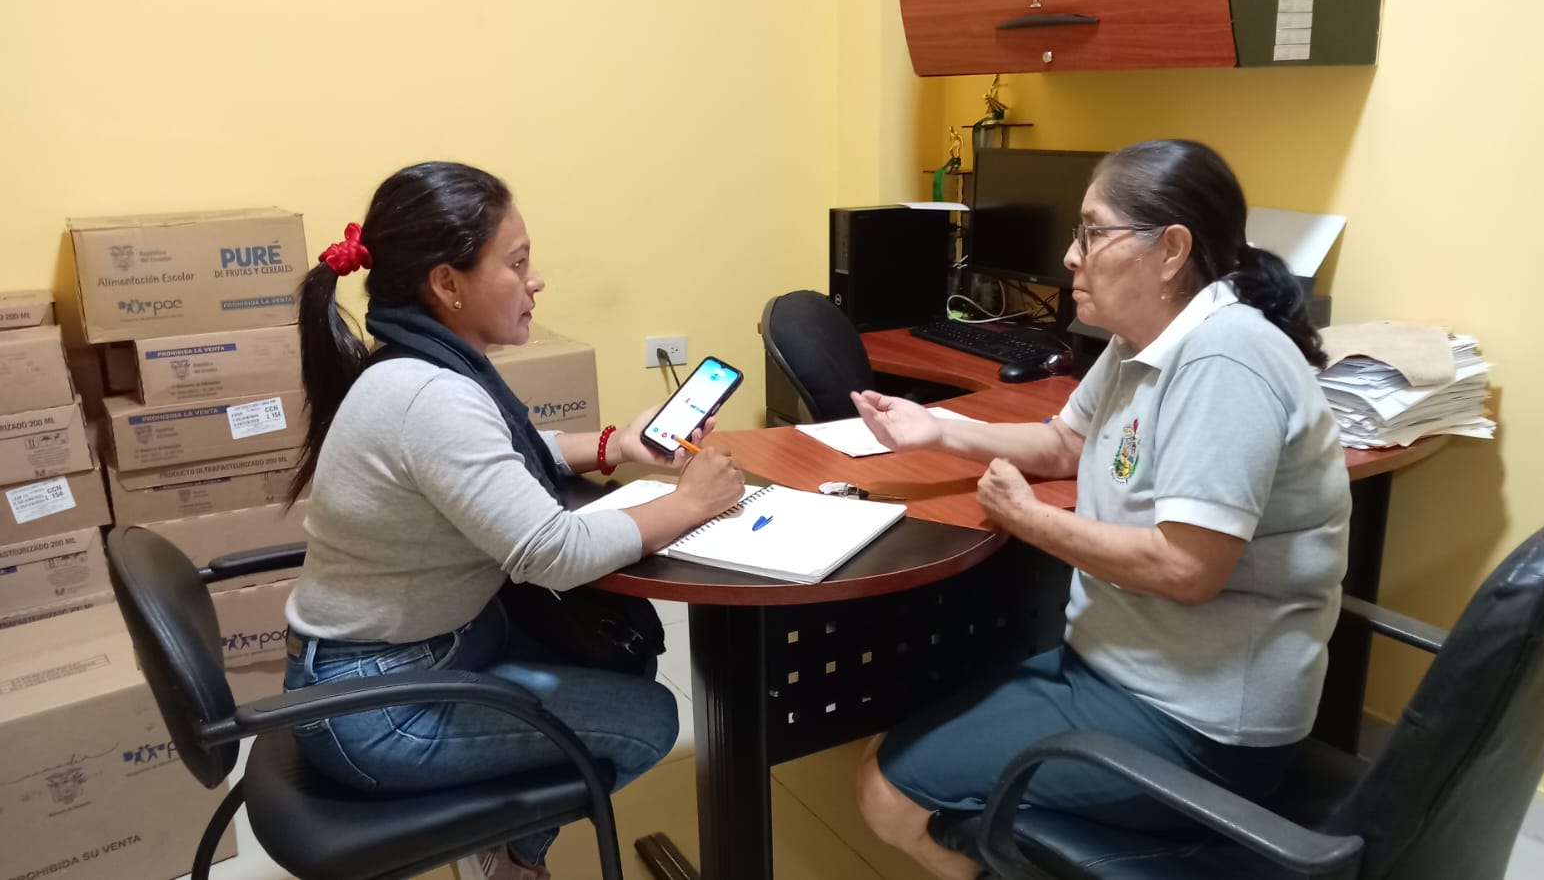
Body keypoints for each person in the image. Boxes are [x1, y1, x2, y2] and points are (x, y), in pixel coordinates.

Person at [851, 139, 1352, 880]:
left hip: (1199, 724)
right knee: (890, 753)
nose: (1070, 255)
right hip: (1123, 670)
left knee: (887, 792)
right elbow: (1065, 441)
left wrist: (1028, 519)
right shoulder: (1141, 341)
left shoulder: (1224, 360)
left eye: (1091, 232)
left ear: (1170, 250)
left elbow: (1187, 567)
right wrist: (940, 429)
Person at [281, 162, 747, 880]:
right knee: (650, 719)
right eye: (518, 262)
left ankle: (502, 839)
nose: (536, 281)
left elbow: (498, 457)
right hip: (375, 704)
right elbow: (554, 552)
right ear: (448, 283)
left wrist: (616, 446)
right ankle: (511, 859)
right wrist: (692, 502)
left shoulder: (413, 367)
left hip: (414, 650)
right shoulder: (430, 396)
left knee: (612, 647)